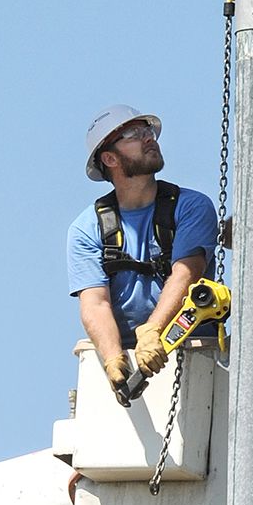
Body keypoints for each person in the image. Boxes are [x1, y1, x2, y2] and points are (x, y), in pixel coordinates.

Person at [66, 105, 218, 394]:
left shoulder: (191, 206)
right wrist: (112, 358)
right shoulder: (87, 228)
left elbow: (185, 275)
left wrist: (153, 332)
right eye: (134, 134)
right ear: (109, 158)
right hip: (128, 354)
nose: (149, 138)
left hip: (196, 351)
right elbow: (95, 303)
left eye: (148, 130)